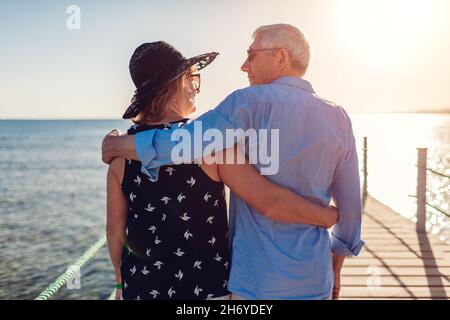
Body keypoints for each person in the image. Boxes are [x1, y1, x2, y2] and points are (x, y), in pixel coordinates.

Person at [106, 41, 339, 300]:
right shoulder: (214, 146)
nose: (196, 88)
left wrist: (119, 283)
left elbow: (115, 231)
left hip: (140, 289)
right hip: (206, 288)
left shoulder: (120, 155)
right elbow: (267, 200)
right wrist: (326, 216)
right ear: (177, 84)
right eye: (193, 79)